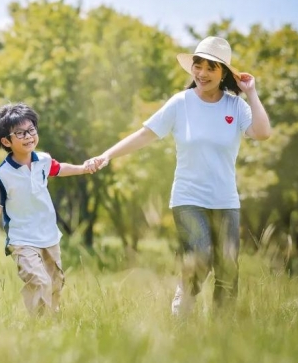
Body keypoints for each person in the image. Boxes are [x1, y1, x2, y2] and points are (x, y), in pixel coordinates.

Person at [85, 36, 271, 316]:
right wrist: (107, 155)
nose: (202, 73)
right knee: (200, 257)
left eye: (211, 68)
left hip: (225, 201)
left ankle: (224, 331)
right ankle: (181, 315)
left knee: (227, 270)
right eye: (198, 65)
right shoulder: (181, 103)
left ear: (223, 73)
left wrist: (251, 93)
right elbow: (145, 134)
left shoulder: (235, 106)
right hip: (188, 198)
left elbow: (262, 133)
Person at [0, 102, 92, 315]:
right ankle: (39, 324)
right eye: (20, 133)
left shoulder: (43, 160)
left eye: (31, 130)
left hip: (49, 235)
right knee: (39, 281)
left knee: (55, 283)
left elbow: (59, 168)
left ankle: (52, 321)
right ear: (6, 141)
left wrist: (83, 168)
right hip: (22, 240)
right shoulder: (1, 175)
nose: (28, 136)